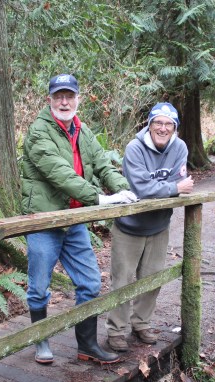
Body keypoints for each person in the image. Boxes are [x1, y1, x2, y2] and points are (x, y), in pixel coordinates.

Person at [21, 73, 139, 365]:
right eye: (58, 96)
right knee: (38, 287)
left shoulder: (82, 130)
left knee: (89, 283)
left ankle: (86, 346)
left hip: (74, 220)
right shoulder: (38, 131)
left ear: (78, 99)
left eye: (69, 96)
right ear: (49, 100)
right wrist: (100, 199)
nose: (64, 101)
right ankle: (41, 341)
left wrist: (124, 191)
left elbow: (102, 165)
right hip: (45, 222)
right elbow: (59, 173)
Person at [106, 102, 194, 352]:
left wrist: (170, 188)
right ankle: (116, 330)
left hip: (159, 225)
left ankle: (141, 323)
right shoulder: (134, 148)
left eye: (168, 124)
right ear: (149, 124)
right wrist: (174, 189)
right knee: (122, 280)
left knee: (153, 278)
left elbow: (179, 179)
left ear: (174, 127)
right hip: (129, 226)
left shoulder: (180, 147)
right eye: (158, 123)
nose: (163, 128)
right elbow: (142, 189)